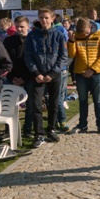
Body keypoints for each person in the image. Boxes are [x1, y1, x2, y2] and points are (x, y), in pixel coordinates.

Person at [24, 8, 69, 148]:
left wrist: (52, 73)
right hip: (37, 76)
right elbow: (28, 56)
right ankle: (39, 133)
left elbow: (63, 56)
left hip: (53, 75)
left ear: (52, 18)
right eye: (41, 17)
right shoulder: (32, 36)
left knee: (54, 103)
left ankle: (51, 128)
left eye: (46, 17)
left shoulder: (59, 35)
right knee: (36, 105)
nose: (44, 20)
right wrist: (36, 73)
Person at [68, 18, 100, 134]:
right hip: (80, 72)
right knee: (82, 100)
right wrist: (71, 41)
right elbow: (72, 55)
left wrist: (92, 69)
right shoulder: (76, 35)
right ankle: (82, 124)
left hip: (96, 73)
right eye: (82, 33)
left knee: (97, 100)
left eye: (86, 33)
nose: (84, 35)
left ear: (90, 27)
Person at [3, 16, 35, 136]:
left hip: (29, 76)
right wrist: (12, 77)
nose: (19, 29)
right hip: (12, 76)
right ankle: (9, 130)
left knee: (30, 103)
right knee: (9, 103)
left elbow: (34, 61)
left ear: (28, 26)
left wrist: (24, 78)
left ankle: (27, 128)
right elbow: (5, 60)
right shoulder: (8, 41)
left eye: (22, 26)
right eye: (17, 26)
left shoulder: (32, 40)